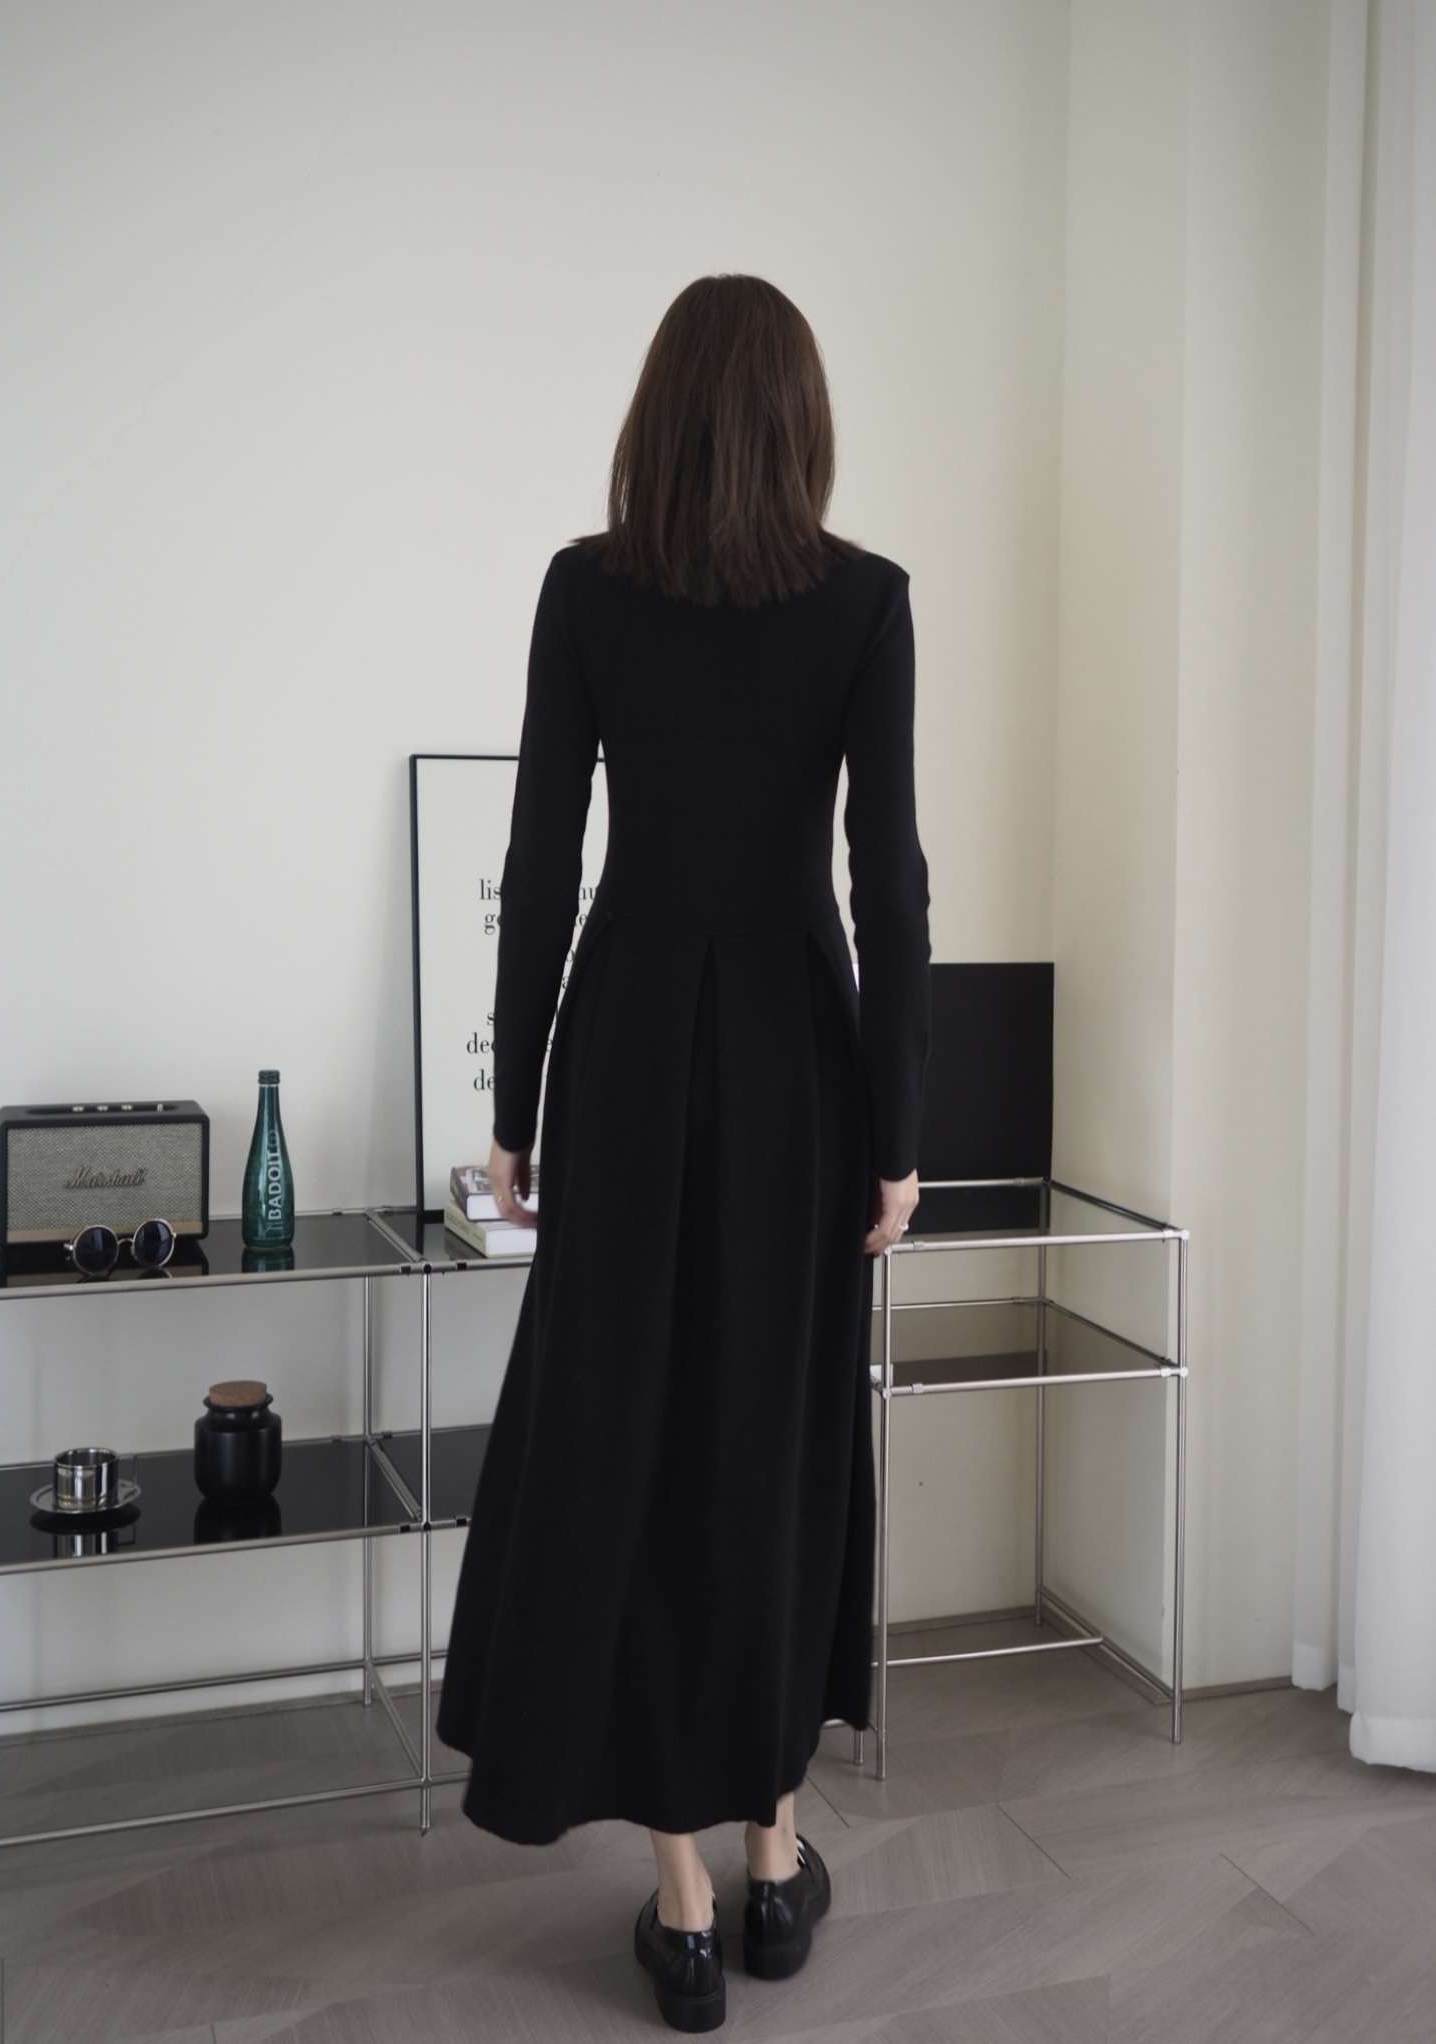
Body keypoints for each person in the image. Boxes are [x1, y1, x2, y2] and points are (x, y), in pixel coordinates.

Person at [436, 273, 930, 2033]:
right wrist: (900, 1134)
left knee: (628, 1443)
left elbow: (540, 854)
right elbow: (890, 883)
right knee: (771, 1445)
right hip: (800, 1066)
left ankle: (685, 1900)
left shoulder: (589, 590)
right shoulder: (866, 601)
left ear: (659, 414)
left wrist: (515, 1107)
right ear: (801, 420)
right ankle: (778, 1853)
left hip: (633, 1051)